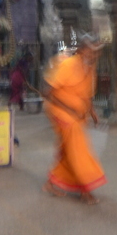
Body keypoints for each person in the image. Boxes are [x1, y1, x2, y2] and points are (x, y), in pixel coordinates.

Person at [41, 35, 106, 205]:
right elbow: (47, 92)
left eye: (97, 52)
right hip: (60, 112)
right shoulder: (68, 65)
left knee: (68, 149)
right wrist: (69, 109)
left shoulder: (90, 68)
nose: (94, 55)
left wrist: (92, 112)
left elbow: (87, 94)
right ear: (81, 50)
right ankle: (85, 190)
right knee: (79, 149)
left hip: (78, 115)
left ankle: (50, 183)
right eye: (91, 51)